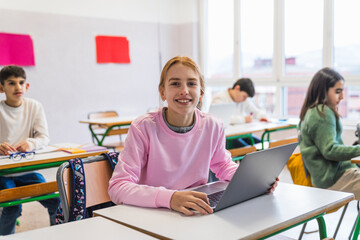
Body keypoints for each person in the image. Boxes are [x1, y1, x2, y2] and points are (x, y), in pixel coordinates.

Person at [108, 56, 277, 216]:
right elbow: (118, 187)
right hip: (153, 212)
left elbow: (222, 165)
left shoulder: (213, 125)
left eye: (191, 83)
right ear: (162, 92)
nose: (184, 91)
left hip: (195, 209)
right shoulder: (143, 127)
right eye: (175, 83)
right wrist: (171, 198)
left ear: (201, 93)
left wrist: (254, 179)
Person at [0, 65, 59, 235]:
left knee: (56, 201)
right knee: (12, 206)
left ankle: (61, 233)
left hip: (27, 170)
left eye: (21, 83)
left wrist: (30, 143)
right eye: (11, 83)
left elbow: (43, 137)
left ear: (26, 86)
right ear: (1, 87)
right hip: (3, 173)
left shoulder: (35, 106)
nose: (17, 87)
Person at [299, 67, 360, 200]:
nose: (342, 97)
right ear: (323, 91)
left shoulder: (313, 111)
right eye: (338, 91)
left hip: (335, 175)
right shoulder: (322, 113)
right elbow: (330, 150)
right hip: (334, 179)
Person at [211, 78, 267, 148]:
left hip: (239, 134)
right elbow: (221, 119)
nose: (244, 100)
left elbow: (256, 111)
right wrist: (244, 119)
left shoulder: (243, 100)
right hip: (225, 138)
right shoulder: (220, 98)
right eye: (244, 96)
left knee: (263, 145)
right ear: (237, 88)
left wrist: (262, 116)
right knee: (250, 150)